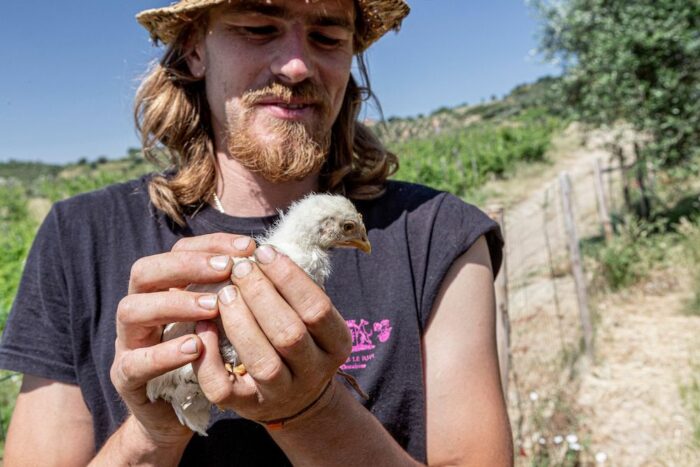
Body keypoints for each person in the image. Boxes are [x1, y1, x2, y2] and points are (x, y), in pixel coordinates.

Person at [0, 0, 514, 464]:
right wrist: (153, 435)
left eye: (328, 37)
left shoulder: (438, 235)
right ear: (195, 51)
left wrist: (316, 412)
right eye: (257, 27)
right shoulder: (79, 237)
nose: (295, 65)